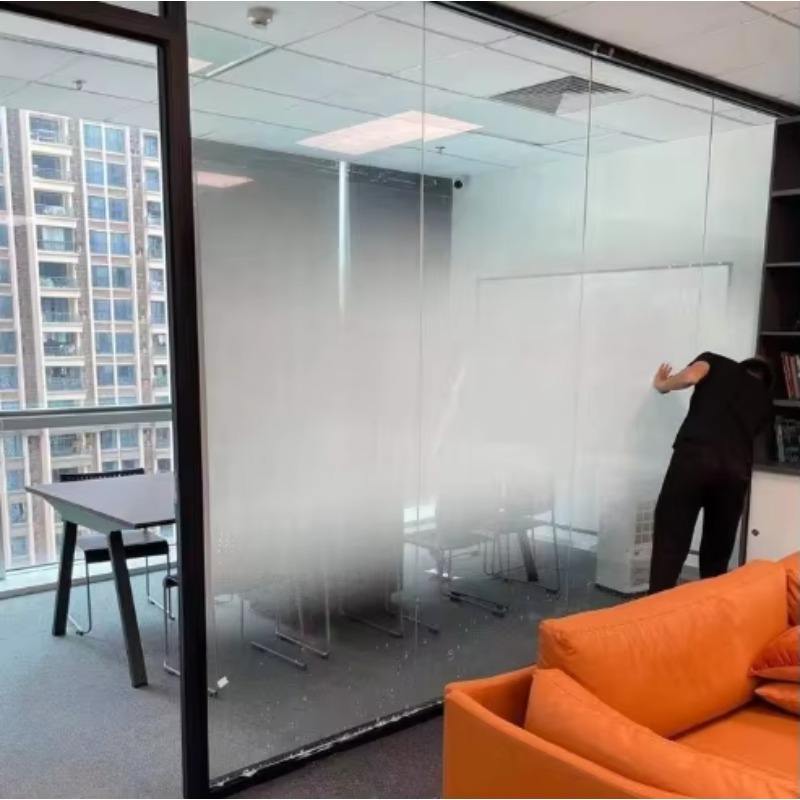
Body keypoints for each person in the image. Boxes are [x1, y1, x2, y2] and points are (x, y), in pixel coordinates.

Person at [648, 352, 773, 593]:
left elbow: (691, 376)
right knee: (716, 555)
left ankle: (657, 606)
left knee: (670, 542)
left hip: (694, 459)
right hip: (735, 473)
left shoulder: (716, 362)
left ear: (742, 366)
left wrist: (662, 384)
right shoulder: (766, 402)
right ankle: (710, 610)